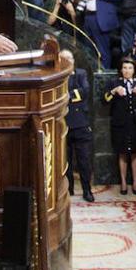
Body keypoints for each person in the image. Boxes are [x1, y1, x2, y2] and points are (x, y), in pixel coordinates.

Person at [105, 58, 136, 195]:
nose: (127, 71)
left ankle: (135, 182)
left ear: (134, 70)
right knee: (122, 152)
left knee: (135, 153)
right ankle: (123, 182)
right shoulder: (115, 83)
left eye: (130, 68)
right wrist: (114, 92)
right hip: (120, 124)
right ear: (121, 69)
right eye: (124, 68)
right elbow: (104, 100)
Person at [61, 51, 95, 203]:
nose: (67, 60)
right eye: (64, 58)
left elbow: (86, 91)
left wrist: (67, 96)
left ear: (74, 61)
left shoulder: (80, 74)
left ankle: (87, 190)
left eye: (70, 58)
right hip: (63, 124)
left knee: (84, 160)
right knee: (65, 160)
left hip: (81, 124)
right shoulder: (57, 75)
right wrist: (71, 95)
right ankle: (69, 189)